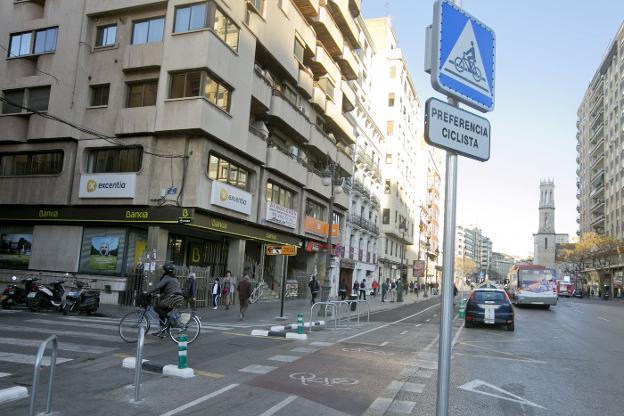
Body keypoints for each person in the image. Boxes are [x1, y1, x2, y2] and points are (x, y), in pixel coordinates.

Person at [149, 262, 183, 336]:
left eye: (163, 270)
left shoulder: (167, 277)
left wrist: (148, 292)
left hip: (173, 298)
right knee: (163, 312)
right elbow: (171, 289)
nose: (163, 271)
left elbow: (158, 286)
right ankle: (164, 330)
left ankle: (172, 320)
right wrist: (161, 295)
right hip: (179, 298)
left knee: (156, 307)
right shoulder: (175, 278)